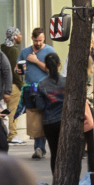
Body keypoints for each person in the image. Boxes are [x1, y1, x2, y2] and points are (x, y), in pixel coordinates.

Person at [19, 28, 59, 159]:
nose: (38, 43)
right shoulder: (25, 51)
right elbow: (17, 67)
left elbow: (51, 70)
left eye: (40, 41)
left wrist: (35, 61)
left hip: (46, 89)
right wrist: (19, 70)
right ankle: (38, 147)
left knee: (46, 117)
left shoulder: (49, 51)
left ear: (44, 39)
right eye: (36, 41)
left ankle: (45, 147)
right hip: (31, 89)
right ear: (32, 38)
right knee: (35, 118)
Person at [31, 53, 67, 175]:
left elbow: (40, 107)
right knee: (66, 153)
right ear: (59, 65)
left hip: (49, 122)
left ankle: (56, 180)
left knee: (54, 153)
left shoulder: (41, 84)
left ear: (46, 66)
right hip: (65, 121)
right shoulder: (66, 82)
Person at [1, 27, 25, 144]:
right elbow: (15, 70)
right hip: (14, 85)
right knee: (12, 111)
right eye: (19, 34)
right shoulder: (14, 50)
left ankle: (6, 133)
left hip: (3, 84)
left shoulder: (3, 48)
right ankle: (12, 134)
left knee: (5, 110)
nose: (21, 36)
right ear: (15, 36)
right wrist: (21, 84)